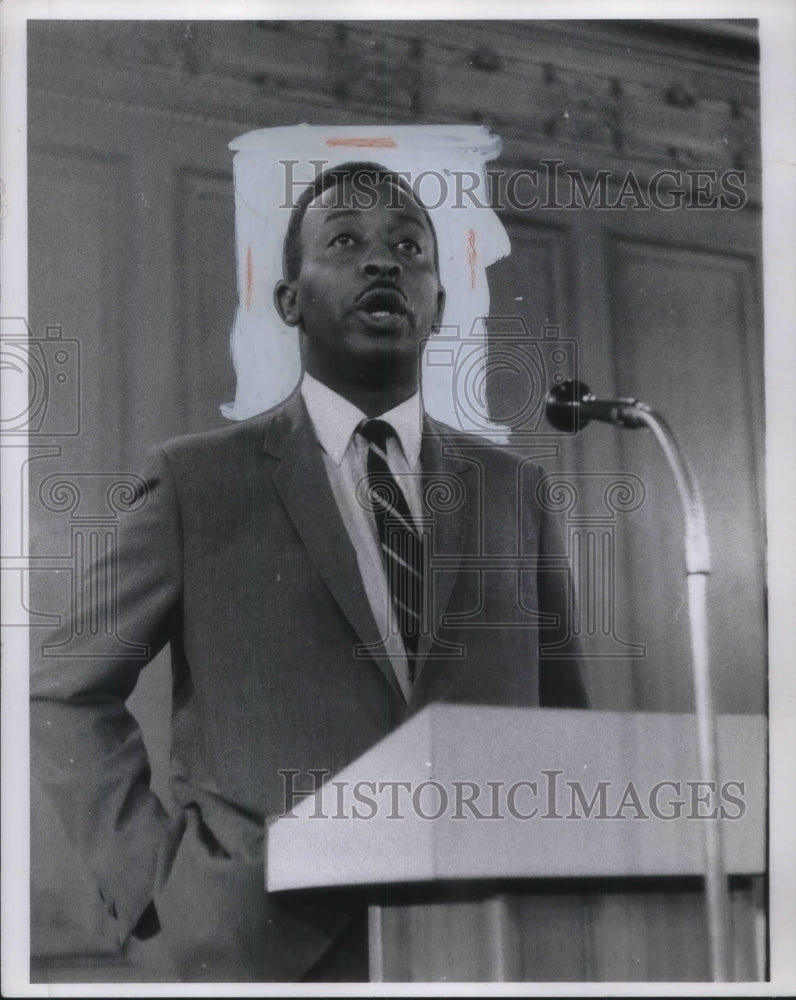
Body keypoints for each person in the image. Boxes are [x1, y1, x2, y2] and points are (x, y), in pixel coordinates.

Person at [30, 162, 586, 983]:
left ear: (440, 306)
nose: (384, 262)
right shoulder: (198, 481)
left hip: (484, 941)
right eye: (346, 242)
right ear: (289, 300)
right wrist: (153, 891)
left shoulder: (517, 491)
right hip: (257, 942)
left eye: (409, 247)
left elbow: (563, 721)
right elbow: (63, 690)